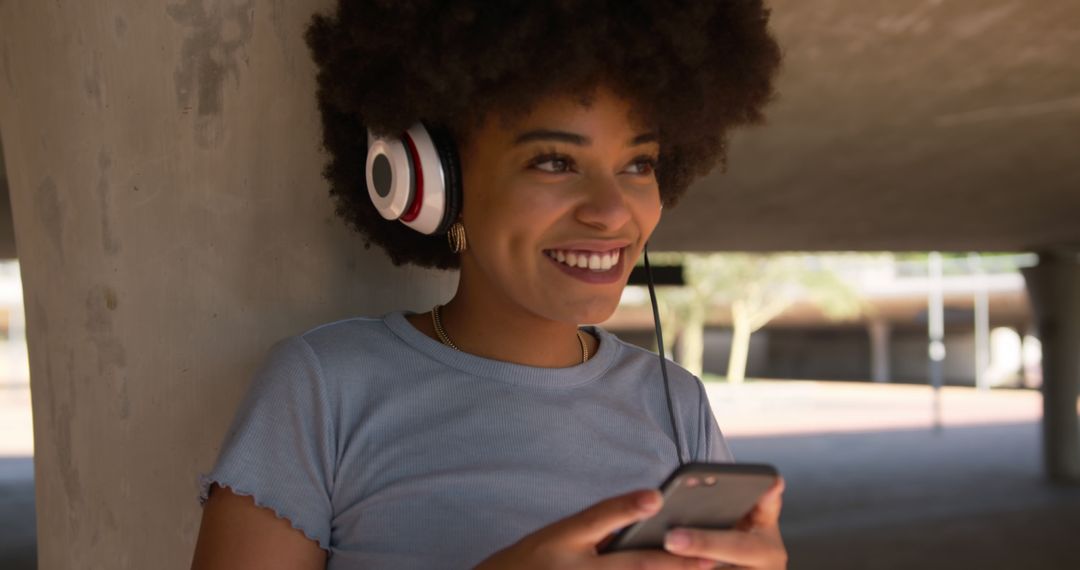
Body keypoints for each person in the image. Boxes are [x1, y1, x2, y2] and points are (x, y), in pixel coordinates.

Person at [190, 1, 785, 568]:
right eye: (553, 161)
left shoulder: (676, 402)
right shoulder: (321, 387)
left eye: (639, 164)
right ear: (428, 183)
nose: (611, 211)